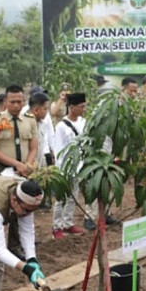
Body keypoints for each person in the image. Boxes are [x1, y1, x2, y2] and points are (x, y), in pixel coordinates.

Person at [0, 84, 38, 260]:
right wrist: (17, 164)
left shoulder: (30, 119)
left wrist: (27, 165)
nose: (16, 105)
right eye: (12, 101)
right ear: (5, 101)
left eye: (19, 101)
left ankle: (15, 245)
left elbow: (33, 146)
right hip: (1, 169)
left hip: (23, 171)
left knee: (22, 207)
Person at [52, 93, 87, 240]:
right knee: (61, 198)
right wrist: (61, 170)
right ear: (71, 107)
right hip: (65, 167)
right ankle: (56, 226)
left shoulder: (83, 122)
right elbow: (58, 149)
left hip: (79, 166)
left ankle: (67, 223)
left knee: (73, 196)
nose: (84, 109)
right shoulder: (61, 126)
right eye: (81, 106)